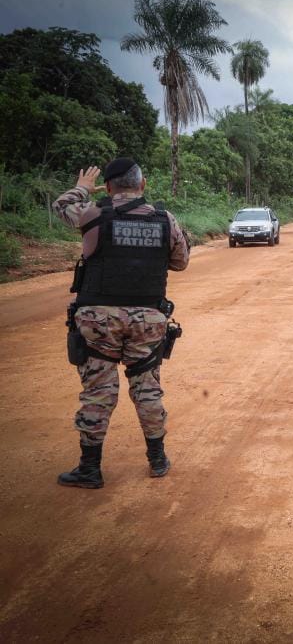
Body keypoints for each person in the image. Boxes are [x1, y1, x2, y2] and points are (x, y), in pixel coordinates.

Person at [52, 159, 190, 488]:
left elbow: (61, 205)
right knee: (147, 389)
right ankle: (157, 460)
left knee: (98, 392)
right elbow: (181, 262)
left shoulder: (93, 213)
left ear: (109, 187)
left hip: (98, 320)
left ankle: (89, 469)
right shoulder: (163, 219)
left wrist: (84, 187)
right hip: (148, 319)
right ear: (142, 186)